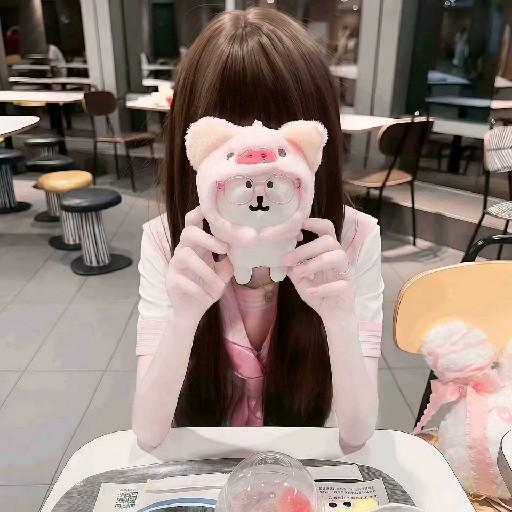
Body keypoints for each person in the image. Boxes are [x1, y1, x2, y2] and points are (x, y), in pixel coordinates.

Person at [132, 8, 384, 450]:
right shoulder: (168, 241)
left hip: (301, 459)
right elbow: (149, 432)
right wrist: (184, 317)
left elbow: (358, 432)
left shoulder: (354, 239)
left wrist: (340, 319)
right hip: (205, 459)